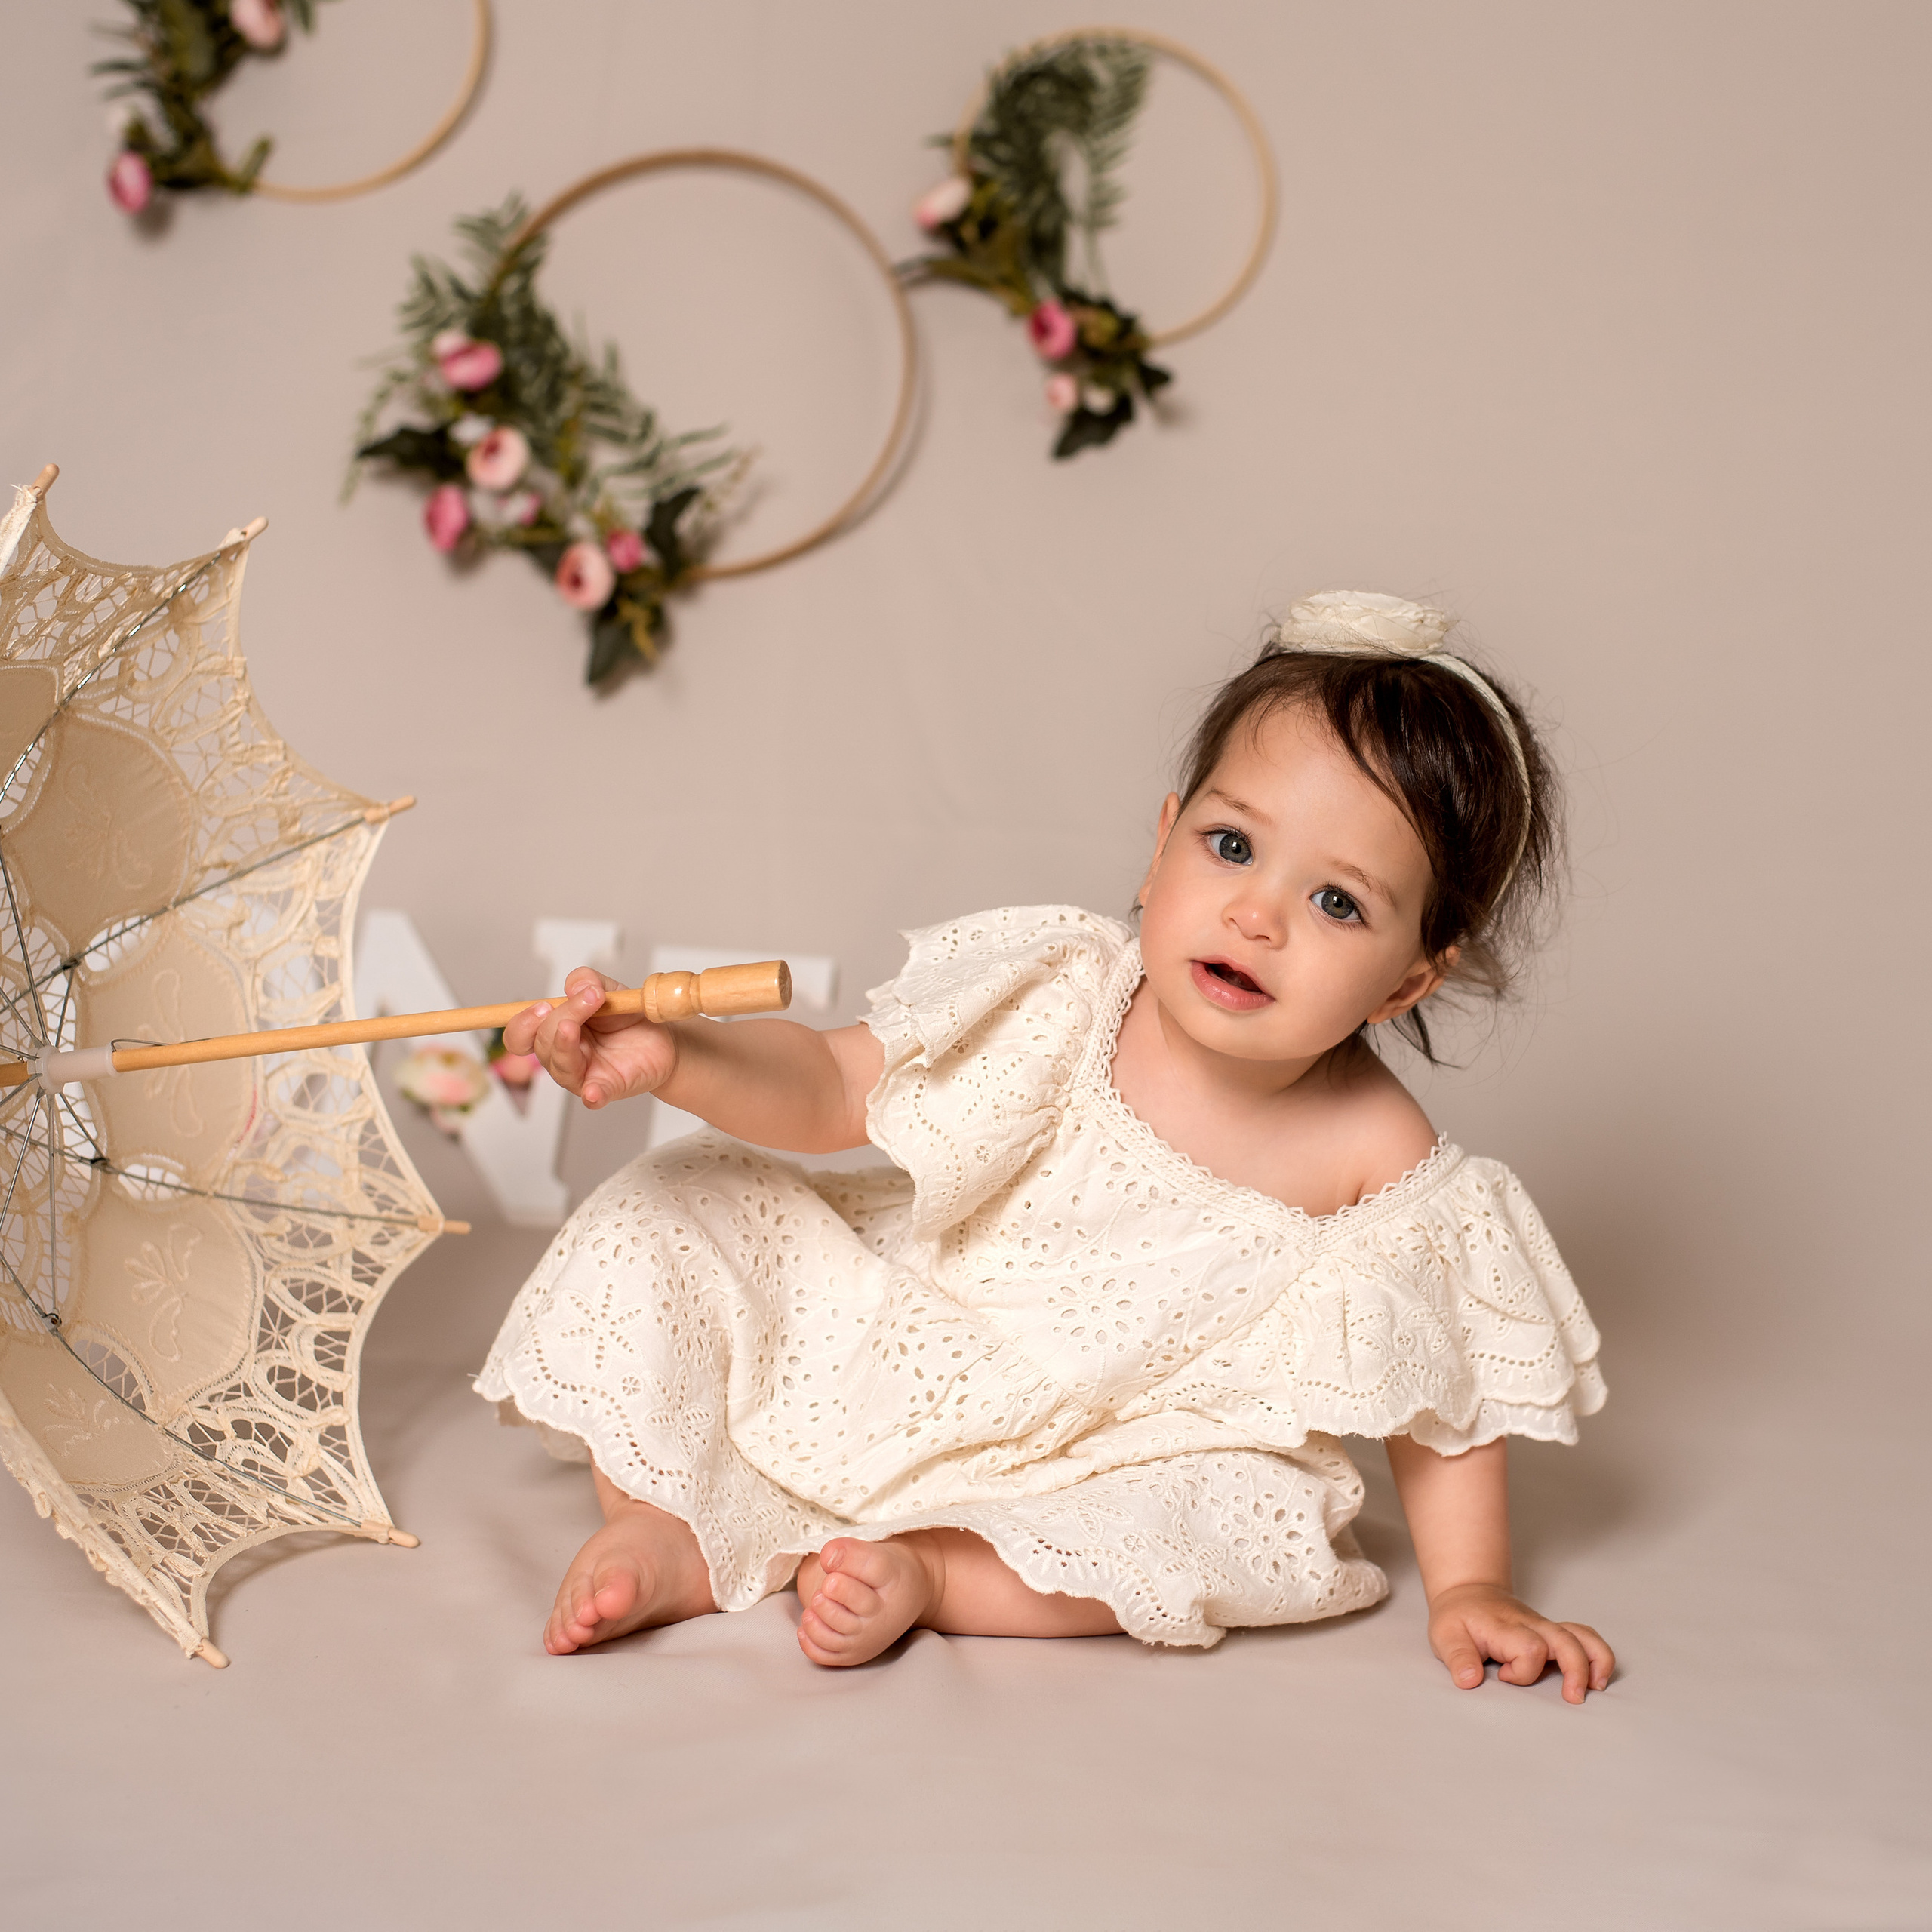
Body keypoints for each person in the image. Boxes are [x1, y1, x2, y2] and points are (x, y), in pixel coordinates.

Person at [478, 590, 1613, 1700]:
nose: (1257, 916)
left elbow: (1444, 1399)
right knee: (670, 1203)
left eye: (1338, 904)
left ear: (1412, 975)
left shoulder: (1380, 1153)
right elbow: (830, 1084)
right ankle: (673, 1525)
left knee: (1258, 1522)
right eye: (1231, 846)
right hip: (907, 1322)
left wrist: (1472, 1585)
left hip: (1120, 1443)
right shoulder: (1064, 993)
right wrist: (681, 1059)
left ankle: (936, 1573)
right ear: (1162, 845)